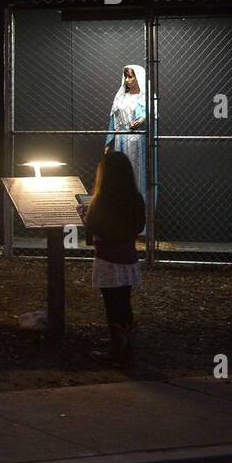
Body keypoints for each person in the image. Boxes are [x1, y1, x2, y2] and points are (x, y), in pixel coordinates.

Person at [77, 150, 146, 368]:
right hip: (128, 257)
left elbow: (95, 228)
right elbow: (139, 226)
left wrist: (84, 215)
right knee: (124, 302)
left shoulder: (102, 200)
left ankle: (117, 351)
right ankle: (127, 347)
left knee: (111, 303)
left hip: (108, 259)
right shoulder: (135, 197)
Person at [105, 64, 148, 202]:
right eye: (125, 76)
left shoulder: (143, 97)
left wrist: (142, 119)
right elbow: (113, 119)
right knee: (120, 171)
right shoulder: (120, 97)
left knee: (134, 170)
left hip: (135, 140)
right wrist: (109, 140)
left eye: (130, 76)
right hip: (120, 137)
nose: (127, 80)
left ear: (138, 77)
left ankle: (137, 202)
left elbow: (148, 113)